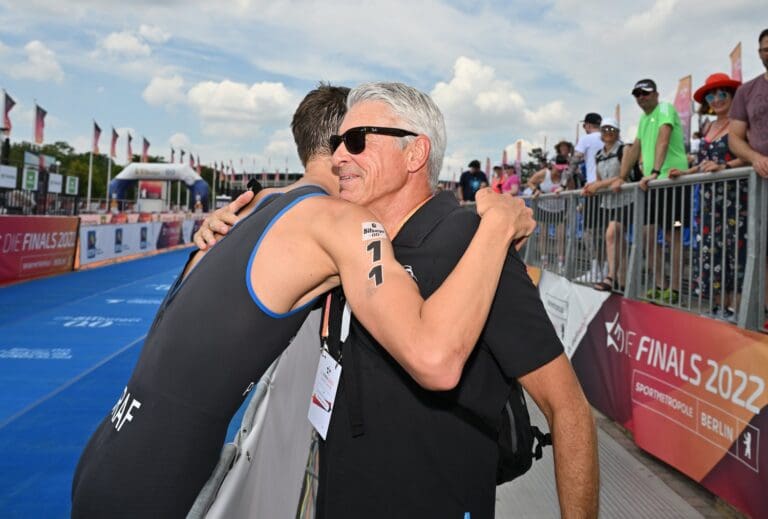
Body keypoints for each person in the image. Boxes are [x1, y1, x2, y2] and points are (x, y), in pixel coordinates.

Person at [70, 84, 535, 518]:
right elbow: (435, 360)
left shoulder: (259, 205)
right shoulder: (340, 222)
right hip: (160, 483)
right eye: (354, 138)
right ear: (339, 145)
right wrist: (496, 227)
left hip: (107, 451)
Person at [320, 83, 597, 518]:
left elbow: (568, 408)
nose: (338, 157)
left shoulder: (471, 243)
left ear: (415, 154)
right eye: (337, 143)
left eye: (356, 141)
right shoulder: (350, 242)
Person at [670, 73, 746, 320]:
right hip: (708, 201)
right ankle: (718, 308)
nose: (717, 99)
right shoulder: (708, 127)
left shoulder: (739, 123)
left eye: (722, 93)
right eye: (711, 95)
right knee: (711, 253)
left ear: (733, 96)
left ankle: (735, 308)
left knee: (735, 252)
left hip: (735, 200)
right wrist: (684, 171)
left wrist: (724, 168)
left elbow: (749, 156)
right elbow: (704, 163)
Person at [611, 78, 689, 304]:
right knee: (646, 234)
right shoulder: (644, 119)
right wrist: (621, 177)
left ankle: (674, 287)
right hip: (653, 185)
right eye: (637, 94)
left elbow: (664, 138)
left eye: (645, 93)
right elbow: (635, 149)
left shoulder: (665, 108)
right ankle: (659, 283)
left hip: (672, 182)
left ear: (655, 93)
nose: (641, 97)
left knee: (673, 235)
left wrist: (654, 170)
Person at [584, 117, 632, 292]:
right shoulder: (599, 155)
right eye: (604, 130)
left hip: (626, 199)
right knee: (618, 240)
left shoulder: (624, 149)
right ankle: (622, 280)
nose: (607, 133)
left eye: (611, 129)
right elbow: (599, 180)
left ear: (617, 132)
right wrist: (591, 187)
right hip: (609, 203)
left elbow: (623, 175)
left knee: (612, 234)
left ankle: (610, 276)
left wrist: (599, 185)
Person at [729, 28, 768, 178]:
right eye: (766, 50)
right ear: (759, 54)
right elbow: (734, 139)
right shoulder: (745, 91)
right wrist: (757, 158)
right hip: (762, 181)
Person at [528, 154, 569, 272]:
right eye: (558, 169)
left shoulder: (565, 175)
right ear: (552, 165)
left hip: (559, 210)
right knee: (543, 235)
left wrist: (565, 189)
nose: (560, 171)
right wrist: (536, 190)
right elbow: (530, 182)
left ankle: (561, 263)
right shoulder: (543, 173)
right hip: (543, 208)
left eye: (562, 169)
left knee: (561, 236)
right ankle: (544, 261)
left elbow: (572, 188)